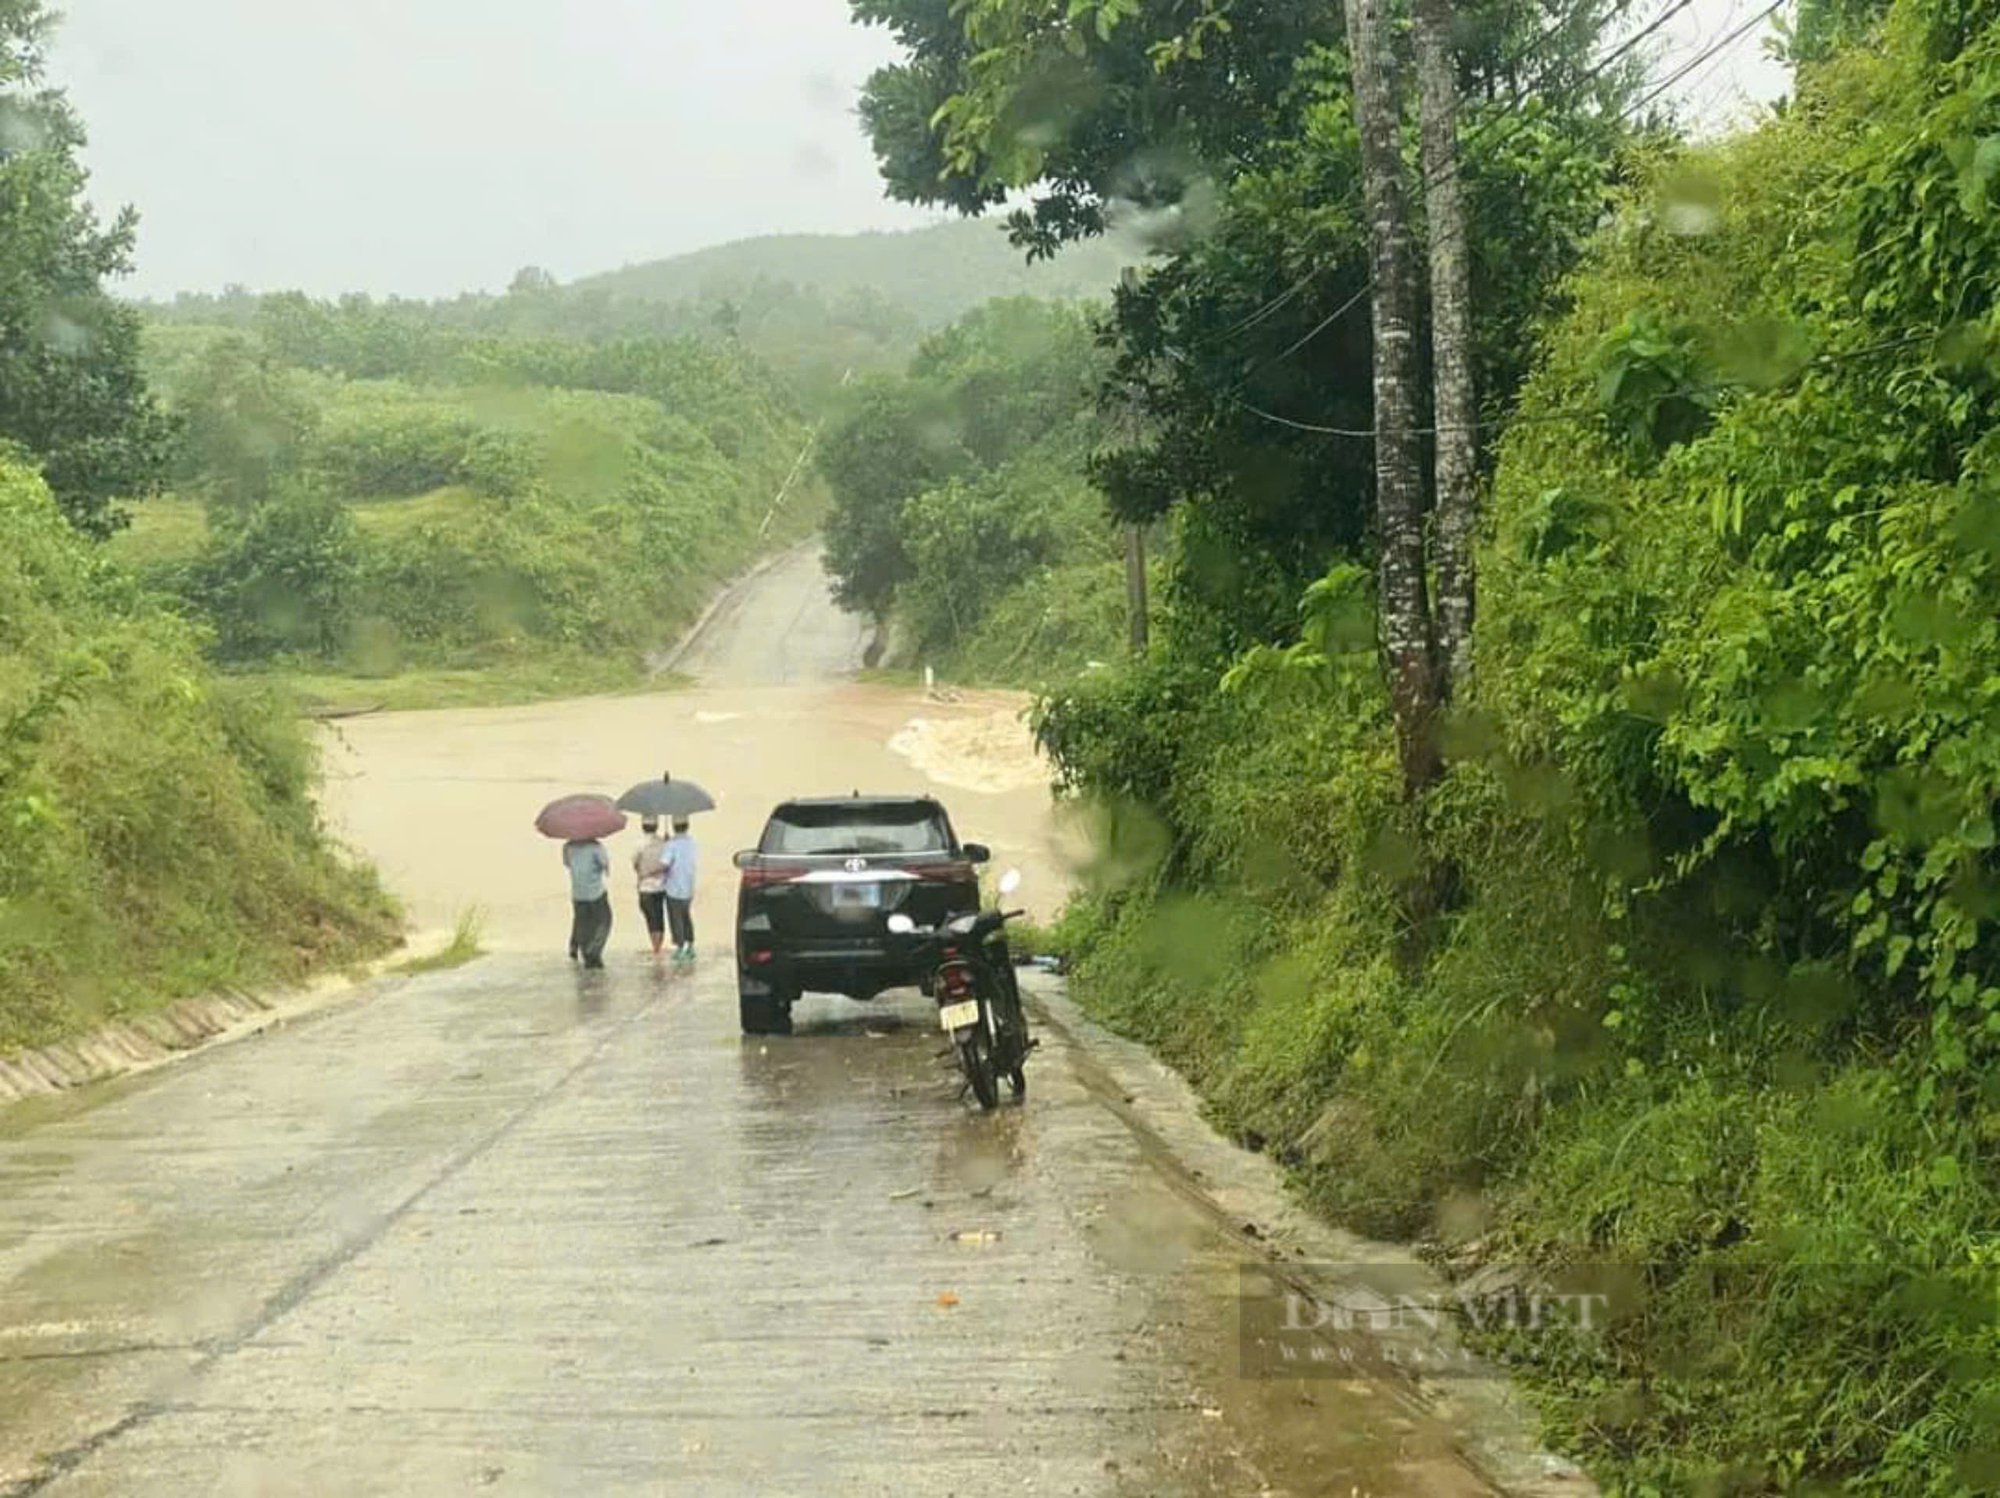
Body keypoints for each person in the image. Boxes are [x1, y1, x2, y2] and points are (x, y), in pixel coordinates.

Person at [563, 836, 612, 969]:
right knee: (604, 921)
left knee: (582, 922)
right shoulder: (596, 846)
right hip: (595, 892)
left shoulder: (568, 846)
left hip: (578, 892)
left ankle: (579, 949)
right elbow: (604, 864)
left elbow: (567, 864)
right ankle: (593, 953)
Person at [662, 817, 699, 964]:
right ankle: (690, 945)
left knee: (675, 917)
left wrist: (666, 845)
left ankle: (680, 947)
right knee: (686, 916)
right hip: (688, 886)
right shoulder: (692, 842)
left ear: (673, 826)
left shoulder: (671, 844)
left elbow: (665, 863)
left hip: (674, 887)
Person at [633, 818, 670, 958]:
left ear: (642, 826)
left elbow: (635, 863)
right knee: (659, 917)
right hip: (661, 886)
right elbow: (667, 863)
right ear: (656, 826)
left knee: (650, 917)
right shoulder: (663, 843)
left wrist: (642, 873)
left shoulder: (639, 844)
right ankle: (658, 947)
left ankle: (655, 948)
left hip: (645, 886)